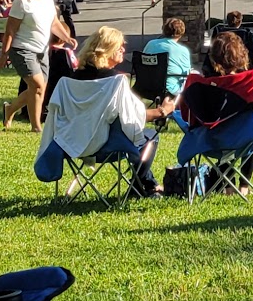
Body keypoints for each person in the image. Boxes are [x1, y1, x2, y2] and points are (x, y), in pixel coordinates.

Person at [33, 24, 166, 198]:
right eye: (120, 47)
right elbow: (133, 119)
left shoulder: (67, 81)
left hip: (69, 145)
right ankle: (141, 186)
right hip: (105, 147)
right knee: (148, 137)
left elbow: (55, 117)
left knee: (135, 136)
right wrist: (162, 111)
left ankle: (148, 184)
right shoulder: (116, 82)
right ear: (108, 51)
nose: (123, 49)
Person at [172, 26, 253, 187]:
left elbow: (187, 115)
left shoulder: (196, 84)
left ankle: (227, 186)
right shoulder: (251, 81)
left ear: (213, 58)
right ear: (243, 56)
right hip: (243, 142)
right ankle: (244, 186)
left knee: (221, 126)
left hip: (208, 142)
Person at [0, 0, 74, 133]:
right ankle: (37, 126)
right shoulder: (22, 2)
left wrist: (67, 37)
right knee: (38, 85)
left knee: (38, 89)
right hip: (22, 50)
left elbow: (54, 23)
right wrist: (4, 54)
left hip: (42, 51)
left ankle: (13, 111)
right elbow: (10, 30)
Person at [140, 14, 192, 99]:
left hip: (146, 86)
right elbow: (187, 73)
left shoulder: (151, 44)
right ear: (181, 33)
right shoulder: (182, 51)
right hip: (170, 89)